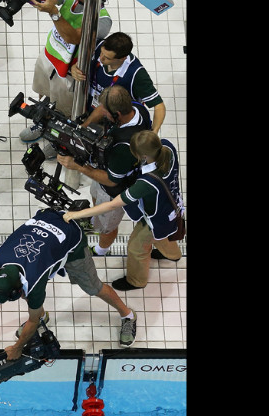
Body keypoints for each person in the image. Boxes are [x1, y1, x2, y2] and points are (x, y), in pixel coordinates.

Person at [0, 208, 138, 352]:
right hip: (46, 220)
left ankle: (128, 316)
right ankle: (43, 316)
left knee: (94, 288)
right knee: (34, 305)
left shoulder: (34, 282)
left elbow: (30, 319)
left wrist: (17, 348)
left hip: (71, 239)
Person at [60, 130, 183, 291]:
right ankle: (173, 255)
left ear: (142, 156)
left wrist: (76, 214)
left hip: (156, 218)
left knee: (136, 247)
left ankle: (136, 281)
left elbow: (112, 205)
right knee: (164, 233)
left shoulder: (147, 183)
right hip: (172, 206)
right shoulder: (168, 147)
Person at [56, 85, 150, 257]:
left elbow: (111, 180)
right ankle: (94, 219)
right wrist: (81, 128)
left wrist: (77, 166)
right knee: (95, 196)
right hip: (103, 172)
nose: (102, 113)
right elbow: (100, 109)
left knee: (107, 227)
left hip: (114, 190)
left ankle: (101, 250)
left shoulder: (124, 146)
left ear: (117, 115)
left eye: (106, 112)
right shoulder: (138, 109)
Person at [19, 0, 112, 159]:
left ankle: (58, 138)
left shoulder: (102, 20)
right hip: (50, 57)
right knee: (47, 95)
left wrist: (54, 13)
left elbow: (74, 37)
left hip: (68, 73)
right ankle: (42, 122)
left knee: (64, 111)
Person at [71, 31, 167, 134]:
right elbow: (77, 64)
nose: (101, 57)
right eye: (102, 53)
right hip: (86, 108)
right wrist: (74, 69)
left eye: (107, 57)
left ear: (122, 58)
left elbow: (159, 106)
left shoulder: (136, 75)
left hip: (112, 123)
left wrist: (154, 131)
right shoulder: (98, 46)